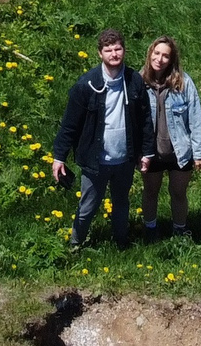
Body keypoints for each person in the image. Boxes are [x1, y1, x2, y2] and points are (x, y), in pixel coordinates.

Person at [50, 27, 153, 248]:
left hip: (125, 159)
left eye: (118, 49)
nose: (114, 54)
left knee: (121, 203)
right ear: (100, 54)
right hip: (95, 160)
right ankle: (75, 244)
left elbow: (145, 120)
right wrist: (59, 156)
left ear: (124, 50)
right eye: (108, 50)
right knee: (88, 206)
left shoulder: (134, 81)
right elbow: (69, 123)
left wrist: (145, 152)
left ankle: (121, 243)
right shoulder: (86, 85)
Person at [137, 36, 201, 239]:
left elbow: (195, 119)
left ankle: (180, 230)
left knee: (178, 193)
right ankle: (150, 229)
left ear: (172, 59)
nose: (159, 59)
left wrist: (199, 153)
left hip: (180, 151)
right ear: (150, 54)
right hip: (151, 151)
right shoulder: (139, 81)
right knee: (150, 191)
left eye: (165, 55)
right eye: (156, 53)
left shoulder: (183, 83)